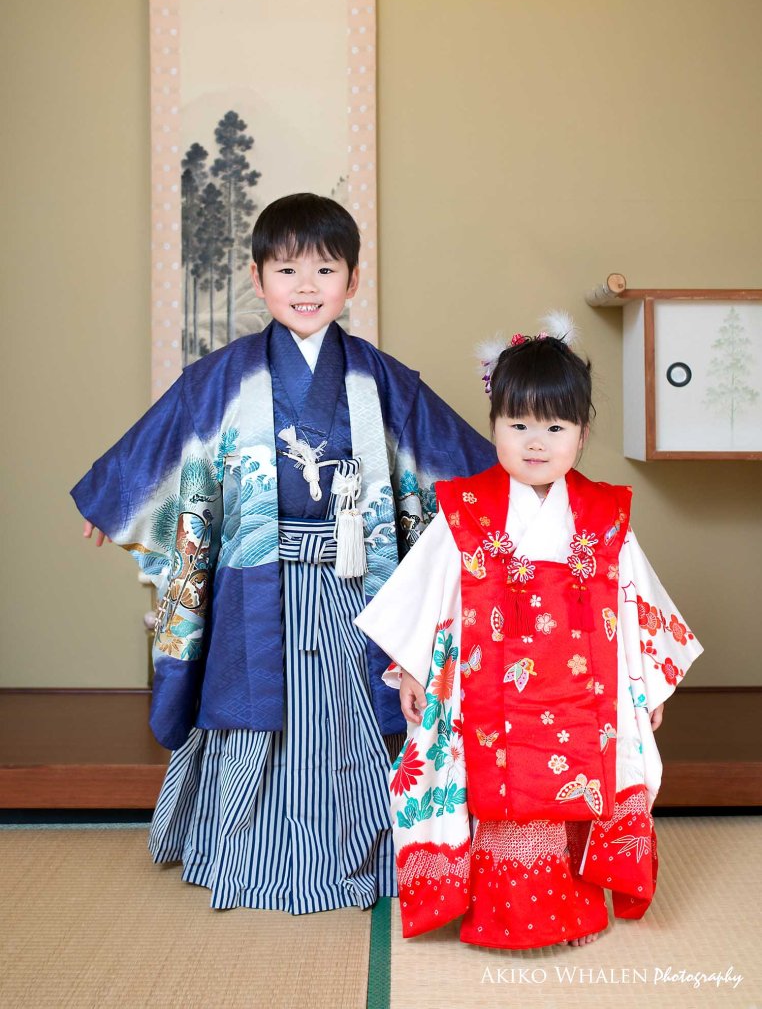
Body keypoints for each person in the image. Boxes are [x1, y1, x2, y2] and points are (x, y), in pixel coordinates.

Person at [71, 193, 495, 913]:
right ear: (257, 277)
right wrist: (113, 498)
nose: (306, 286)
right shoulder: (224, 375)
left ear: (352, 281)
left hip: (355, 579)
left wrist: (509, 502)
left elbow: (448, 452)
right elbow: (168, 435)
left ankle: (371, 847)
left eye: (325, 269)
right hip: (257, 580)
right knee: (253, 705)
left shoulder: (378, 377)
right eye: (287, 268)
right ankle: (245, 849)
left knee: (359, 706)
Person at [355, 312, 702, 948]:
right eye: (517, 425)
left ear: (582, 432)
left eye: (555, 426)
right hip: (484, 689)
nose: (535, 441)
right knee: (491, 791)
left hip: (584, 690)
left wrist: (643, 688)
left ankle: (572, 913)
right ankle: (496, 912)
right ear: (493, 427)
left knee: (575, 787)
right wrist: (411, 668)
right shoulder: (466, 508)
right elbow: (426, 591)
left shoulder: (601, 515)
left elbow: (636, 605)